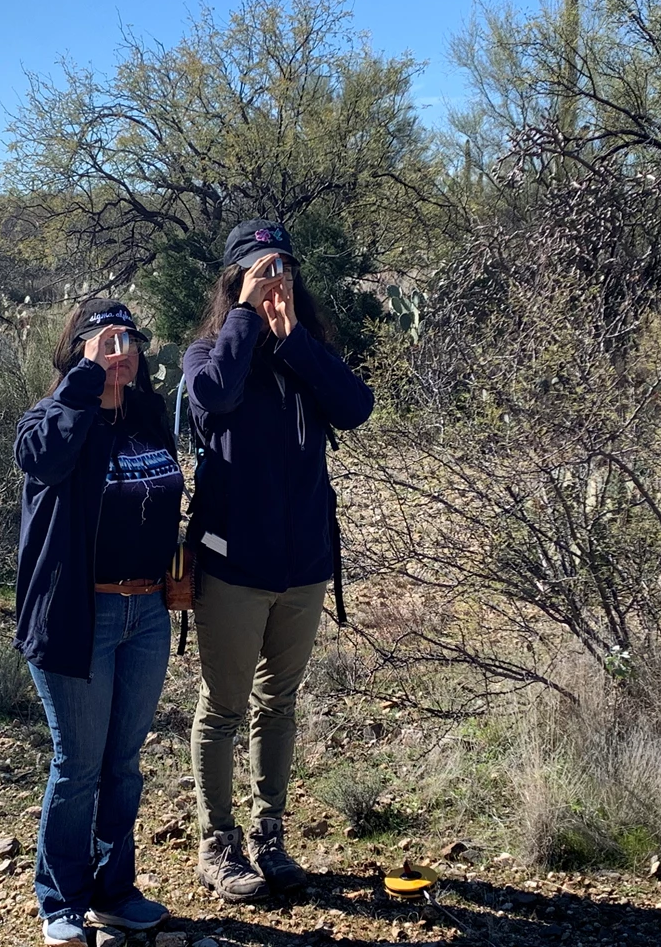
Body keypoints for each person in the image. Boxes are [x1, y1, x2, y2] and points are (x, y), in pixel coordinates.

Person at [183, 219, 374, 901]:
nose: (276, 281)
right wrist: (244, 318)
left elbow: (356, 407)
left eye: (284, 269)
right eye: (261, 271)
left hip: (303, 566)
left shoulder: (304, 354)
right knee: (225, 706)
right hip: (234, 566)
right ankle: (218, 842)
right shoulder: (208, 352)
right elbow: (214, 397)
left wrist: (294, 342)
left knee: (279, 703)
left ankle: (269, 832)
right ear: (235, 282)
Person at [13, 298, 184, 945]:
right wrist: (84, 381)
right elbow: (40, 457)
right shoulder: (57, 417)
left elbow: (164, 496)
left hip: (145, 613)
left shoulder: (144, 416)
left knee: (124, 763)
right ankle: (61, 900)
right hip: (79, 615)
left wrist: (177, 562)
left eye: (130, 340)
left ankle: (114, 891)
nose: (123, 352)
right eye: (107, 341)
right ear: (79, 350)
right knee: (78, 765)